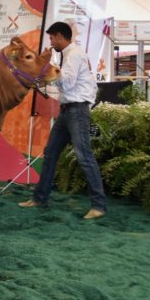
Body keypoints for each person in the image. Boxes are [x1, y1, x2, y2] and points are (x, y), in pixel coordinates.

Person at [19, 21, 107, 220]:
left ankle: (99, 206)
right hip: (68, 110)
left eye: (51, 38)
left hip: (77, 110)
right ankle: (40, 198)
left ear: (59, 36)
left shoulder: (74, 55)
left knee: (84, 156)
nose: (51, 42)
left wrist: (46, 65)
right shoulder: (69, 55)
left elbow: (67, 82)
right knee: (50, 153)